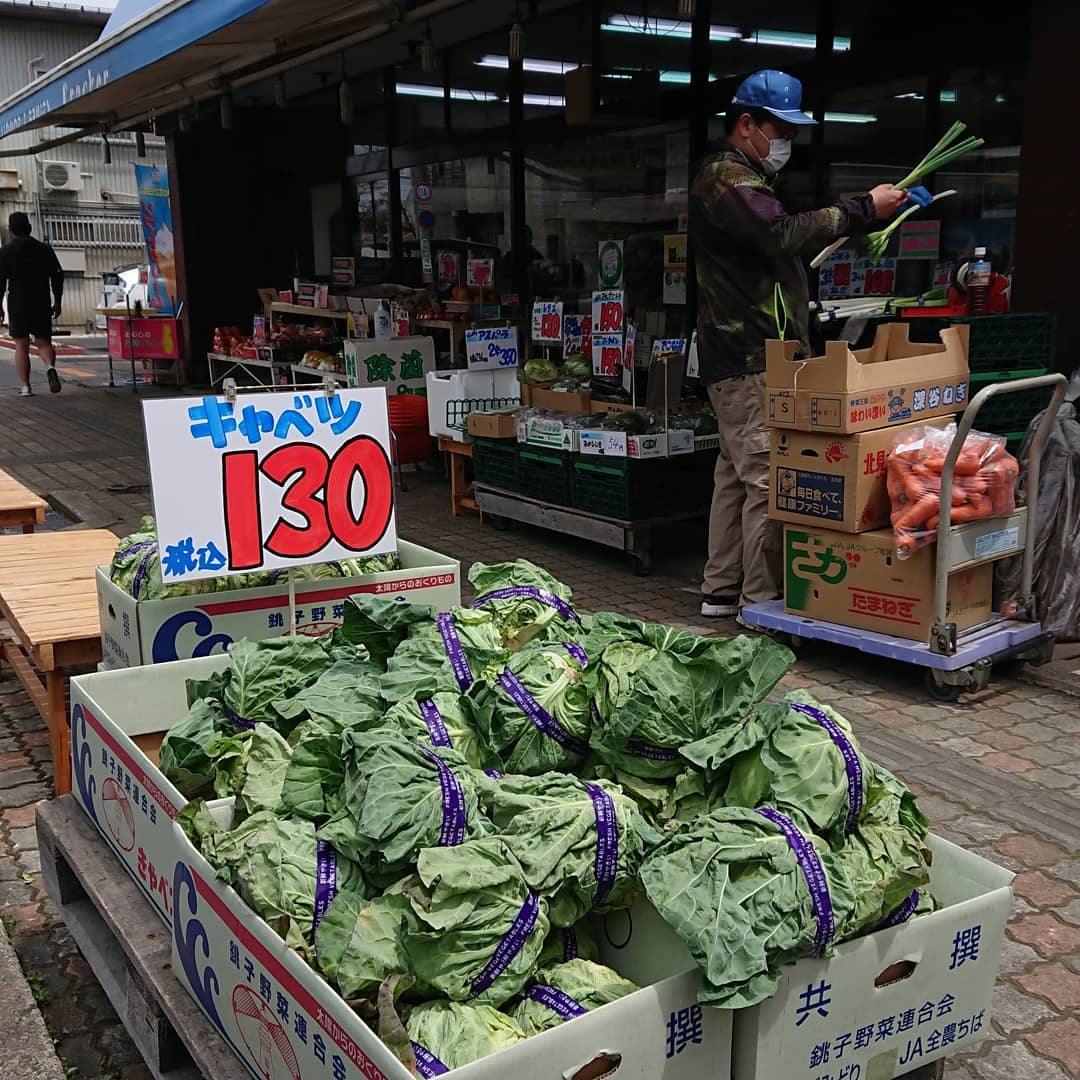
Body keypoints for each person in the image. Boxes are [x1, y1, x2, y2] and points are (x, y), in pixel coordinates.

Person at [691, 70, 919, 621]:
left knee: (734, 474)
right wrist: (862, 209)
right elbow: (781, 232)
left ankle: (720, 589)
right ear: (747, 124)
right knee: (765, 478)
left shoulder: (743, 179)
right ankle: (759, 603)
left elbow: (781, 233)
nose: (789, 142)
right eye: (782, 130)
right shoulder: (726, 179)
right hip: (749, 356)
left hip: (744, 356)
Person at [0, 212, 63, 397]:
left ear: (11, 229)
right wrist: (57, 301)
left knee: (21, 344)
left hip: (18, 302)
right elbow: (57, 275)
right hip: (41, 301)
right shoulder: (44, 249)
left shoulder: (6, 251)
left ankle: (26, 386)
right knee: (43, 342)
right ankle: (50, 367)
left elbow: (0, 281)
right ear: (29, 227)